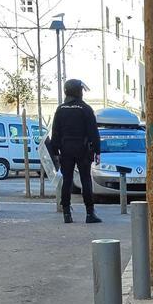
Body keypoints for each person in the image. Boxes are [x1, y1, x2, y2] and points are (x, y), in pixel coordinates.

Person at [49, 79, 102, 224]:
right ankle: (90, 213)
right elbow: (93, 132)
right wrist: (97, 151)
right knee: (85, 180)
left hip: (65, 149)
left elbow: (55, 133)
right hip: (83, 149)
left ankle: (66, 212)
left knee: (67, 180)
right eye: (81, 90)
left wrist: (55, 151)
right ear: (78, 91)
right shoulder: (85, 109)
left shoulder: (60, 110)